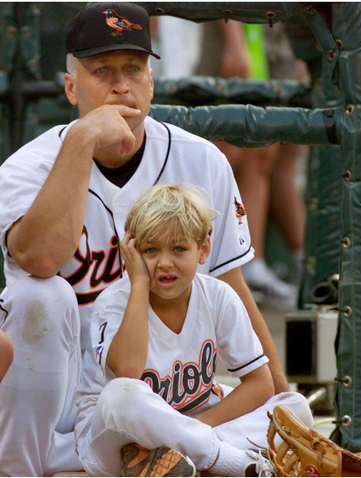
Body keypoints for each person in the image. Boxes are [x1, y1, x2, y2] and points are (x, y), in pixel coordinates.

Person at [0, 3, 297, 475]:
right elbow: (40, 259)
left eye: (134, 70)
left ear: (152, 83)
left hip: (175, 397)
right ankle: (22, 468)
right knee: (40, 295)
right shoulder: (25, 169)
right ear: (71, 87)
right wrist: (81, 141)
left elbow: (231, 285)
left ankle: (170, 454)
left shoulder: (200, 160)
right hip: (69, 400)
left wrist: (282, 402)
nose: (121, 85)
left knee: (292, 408)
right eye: (102, 72)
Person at [77, 184, 312, 476]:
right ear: (132, 252)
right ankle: (234, 463)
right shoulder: (114, 301)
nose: (165, 262)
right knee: (121, 393)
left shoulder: (219, 295)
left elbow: (260, 384)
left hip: (192, 423)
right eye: (150, 249)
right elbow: (127, 371)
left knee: (294, 408)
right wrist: (138, 282)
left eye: (178, 248)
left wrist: (189, 431)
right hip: (117, 440)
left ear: (203, 250)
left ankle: (176, 461)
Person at [196, 19, 308, 310]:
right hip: (243, 31)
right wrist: (234, 40)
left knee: (281, 148)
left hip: (280, 37)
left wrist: (304, 54)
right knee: (241, 151)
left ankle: (303, 263)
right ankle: (243, 263)